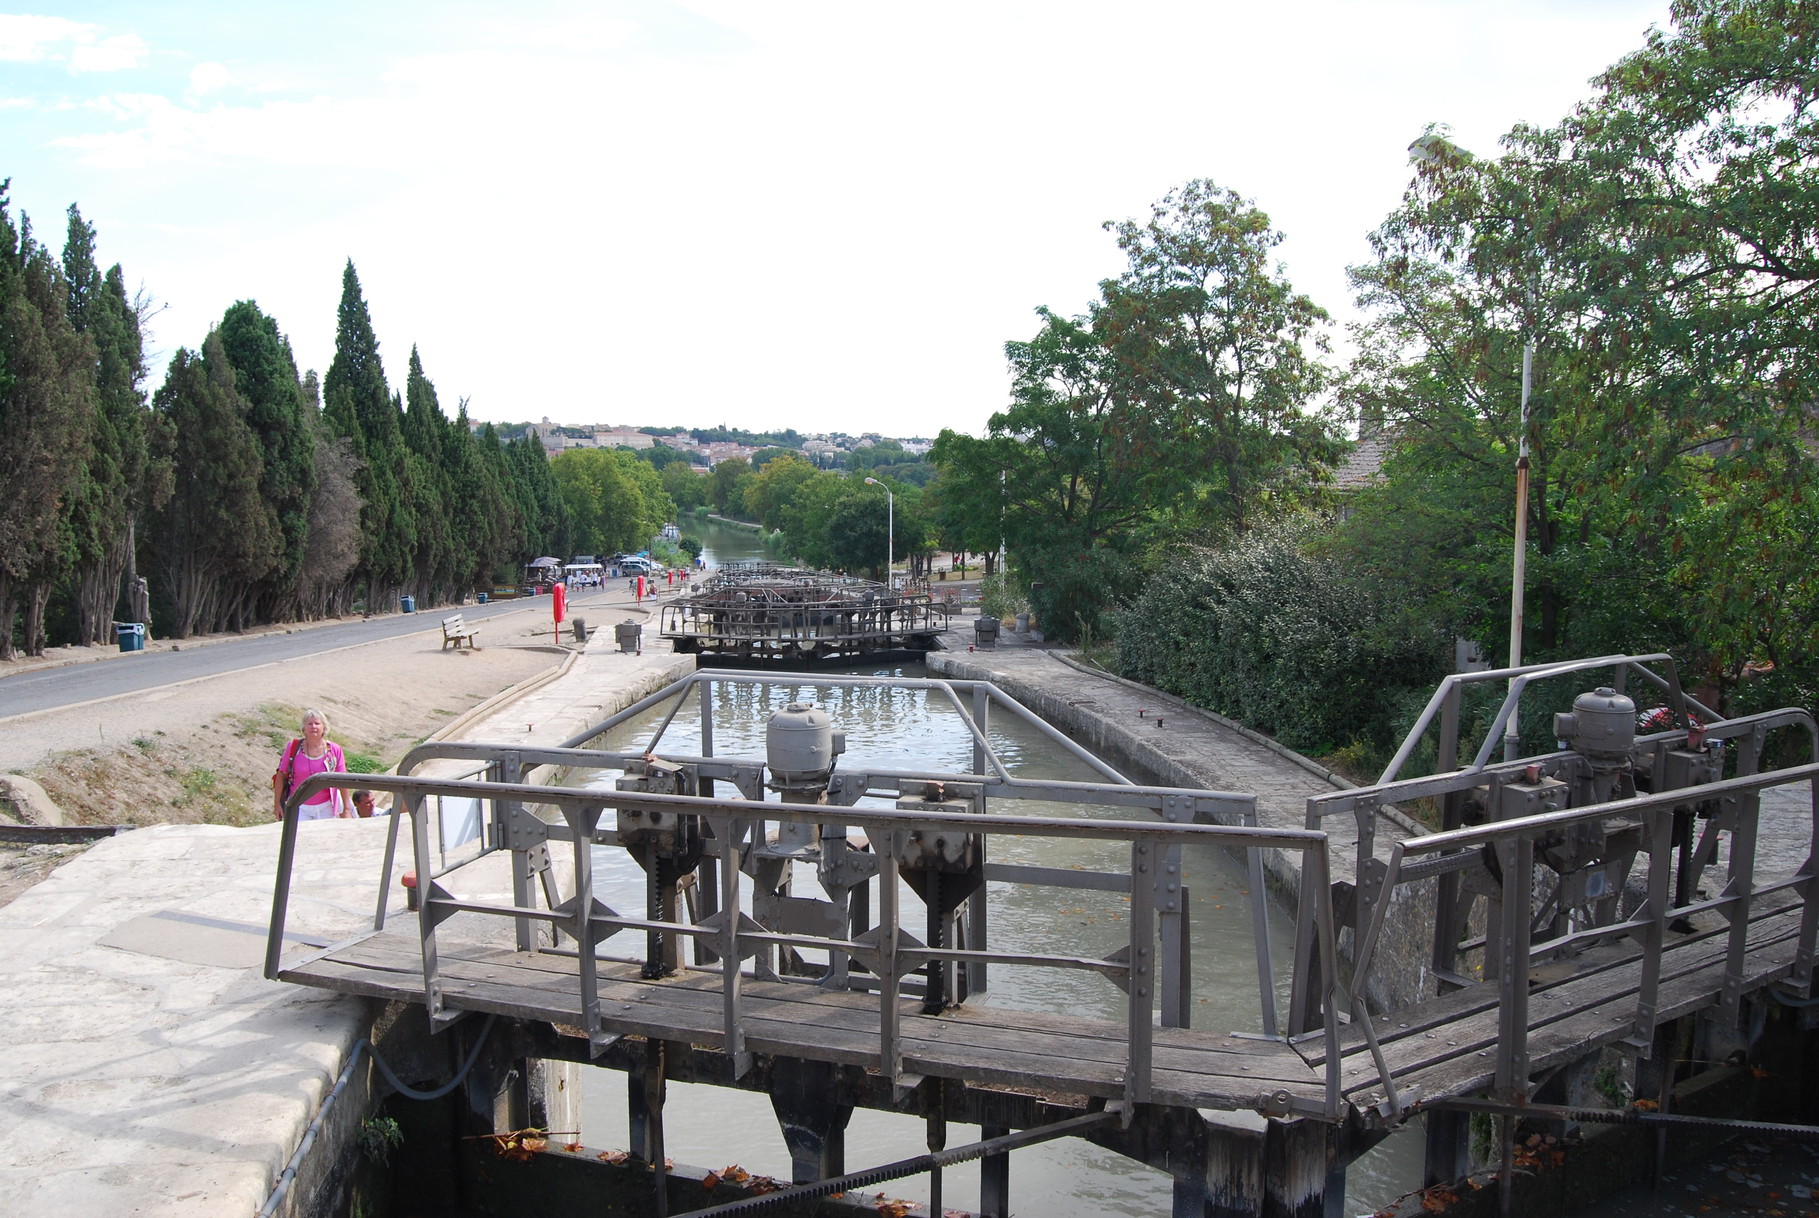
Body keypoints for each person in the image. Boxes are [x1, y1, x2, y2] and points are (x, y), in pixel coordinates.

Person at [272, 709, 350, 820]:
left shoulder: (334, 750)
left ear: (324, 727)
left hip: (326, 807)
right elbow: (281, 775)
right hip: (299, 806)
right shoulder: (293, 747)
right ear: (304, 728)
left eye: (317, 723)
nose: (313, 727)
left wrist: (347, 809)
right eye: (309, 724)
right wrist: (277, 805)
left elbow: (343, 780)